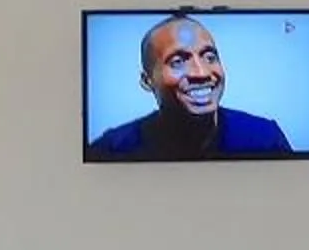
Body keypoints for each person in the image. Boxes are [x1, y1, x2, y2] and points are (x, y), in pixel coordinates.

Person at [87, 14, 294, 159]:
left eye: (210, 57)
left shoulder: (264, 138)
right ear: (147, 81)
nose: (201, 73)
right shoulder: (114, 148)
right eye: (178, 61)